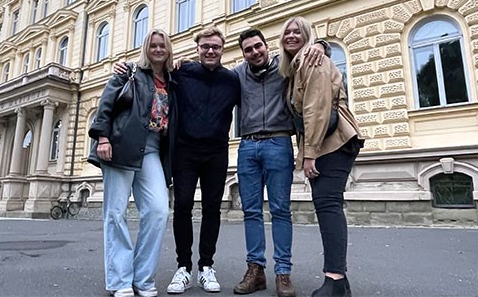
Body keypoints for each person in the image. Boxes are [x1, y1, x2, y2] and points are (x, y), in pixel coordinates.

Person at [116, 26, 240, 294]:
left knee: (212, 208)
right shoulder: (182, 72)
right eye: (205, 46)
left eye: (215, 47)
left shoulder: (232, 80)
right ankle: (183, 268)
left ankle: (206, 267)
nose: (210, 51)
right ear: (197, 49)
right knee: (182, 206)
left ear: (222, 49)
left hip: (216, 153)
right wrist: (125, 68)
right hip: (185, 152)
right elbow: (152, 71)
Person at [233, 29, 326, 297]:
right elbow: (211, 75)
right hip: (248, 145)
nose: (255, 52)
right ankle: (255, 271)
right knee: (251, 211)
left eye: (258, 46)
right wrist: (182, 64)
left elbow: (310, 53)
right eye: (248, 49)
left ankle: (283, 273)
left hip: (278, 143)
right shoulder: (238, 74)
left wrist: (320, 45)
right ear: (243, 54)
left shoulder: (285, 68)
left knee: (280, 210)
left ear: (266, 46)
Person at [88, 29, 178, 297]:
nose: (158, 49)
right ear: (146, 48)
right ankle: (120, 280)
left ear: (168, 49)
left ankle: (142, 276)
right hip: (120, 146)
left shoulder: (172, 80)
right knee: (115, 213)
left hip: (151, 150)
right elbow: (106, 104)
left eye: (163, 45)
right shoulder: (129, 72)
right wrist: (102, 138)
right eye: (154, 45)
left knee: (158, 210)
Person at [278, 17, 363, 297]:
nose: (291, 35)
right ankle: (341, 281)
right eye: (287, 32)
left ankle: (335, 280)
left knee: (328, 206)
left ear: (307, 36)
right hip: (327, 141)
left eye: (297, 32)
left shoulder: (312, 60)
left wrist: (309, 155)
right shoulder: (296, 66)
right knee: (329, 205)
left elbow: (316, 109)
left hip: (332, 141)